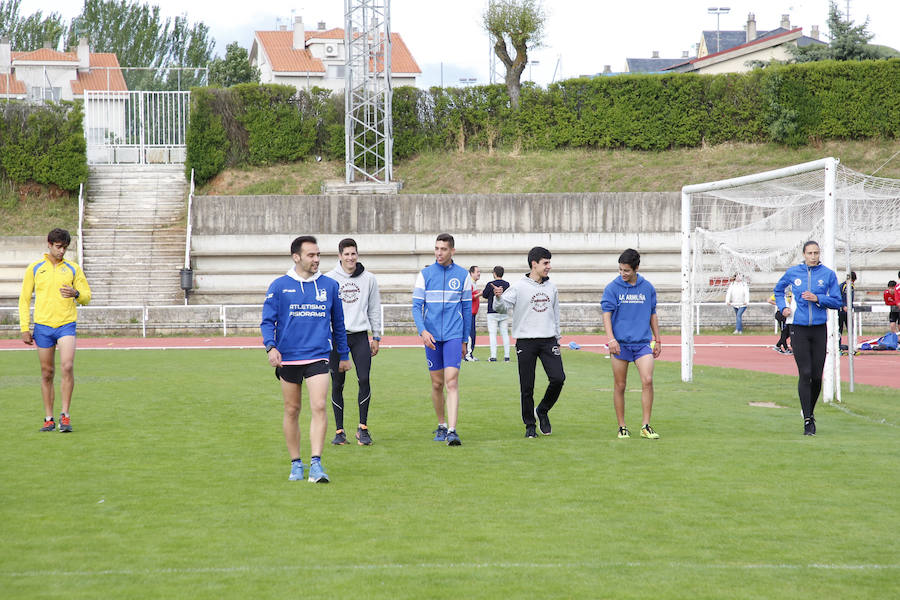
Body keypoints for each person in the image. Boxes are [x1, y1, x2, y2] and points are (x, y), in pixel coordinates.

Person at [261, 235, 351, 482]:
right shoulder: (279, 286)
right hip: (288, 359)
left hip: (318, 356)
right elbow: (267, 321)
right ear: (296, 257)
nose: (316, 259)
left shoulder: (330, 286)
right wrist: (270, 347)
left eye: (318, 255)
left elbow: (339, 324)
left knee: (319, 406)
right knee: (292, 409)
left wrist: (343, 355)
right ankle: (296, 464)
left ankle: (316, 464)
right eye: (311, 255)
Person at [19, 228, 92, 433]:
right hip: (43, 326)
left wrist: (76, 293)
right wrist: (25, 327)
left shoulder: (73, 269)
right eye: (58, 247)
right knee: (47, 372)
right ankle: (49, 417)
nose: (61, 252)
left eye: (65, 248)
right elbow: (24, 299)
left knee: (67, 366)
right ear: (49, 244)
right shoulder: (35, 268)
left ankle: (65, 416)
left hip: (66, 324)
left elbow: (87, 296)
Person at [492, 247, 565, 438]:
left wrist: (557, 338)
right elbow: (501, 307)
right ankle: (530, 425)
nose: (549, 266)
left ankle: (542, 409)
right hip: (526, 342)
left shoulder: (552, 287)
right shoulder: (518, 287)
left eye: (549, 262)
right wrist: (498, 296)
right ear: (534, 264)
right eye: (545, 263)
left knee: (558, 378)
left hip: (548, 340)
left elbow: (555, 314)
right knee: (527, 386)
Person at [774, 241, 842, 436]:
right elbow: (778, 290)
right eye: (810, 253)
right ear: (804, 254)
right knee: (805, 372)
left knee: (816, 376)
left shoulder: (828, 274)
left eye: (816, 253)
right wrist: (783, 307)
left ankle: (808, 410)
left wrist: (818, 298)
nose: (813, 256)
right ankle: (808, 421)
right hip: (798, 329)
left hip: (819, 329)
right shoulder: (793, 273)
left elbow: (837, 302)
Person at [412, 233, 472, 446]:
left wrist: (465, 341)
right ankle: (441, 424)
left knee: (451, 382)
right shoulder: (425, 274)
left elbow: (466, 310)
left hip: (454, 336)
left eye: (443, 249)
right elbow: (416, 307)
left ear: (452, 251)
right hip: (432, 338)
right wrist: (423, 331)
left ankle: (453, 431)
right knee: (437, 384)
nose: (439, 253)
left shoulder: (463, 275)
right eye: (437, 248)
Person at [325, 238, 382, 446]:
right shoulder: (329, 279)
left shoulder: (369, 279)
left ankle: (363, 428)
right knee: (337, 383)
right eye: (346, 254)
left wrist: (376, 336)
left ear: (357, 255)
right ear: (339, 256)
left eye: (353, 254)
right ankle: (339, 432)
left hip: (360, 336)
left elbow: (374, 308)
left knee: (364, 379)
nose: (350, 258)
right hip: (337, 337)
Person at [601, 248, 662, 440]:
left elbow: (652, 314)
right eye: (620, 269)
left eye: (626, 270)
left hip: (642, 343)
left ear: (636, 268)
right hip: (620, 345)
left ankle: (645, 425)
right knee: (620, 385)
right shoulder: (612, 288)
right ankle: (622, 427)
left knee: (648, 380)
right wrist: (611, 339)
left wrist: (657, 339)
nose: (622, 274)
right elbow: (606, 315)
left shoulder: (647, 287)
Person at [482, 265, 511, 362]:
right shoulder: (507, 284)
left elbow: (485, 295)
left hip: (492, 312)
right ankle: (507, 357)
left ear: (494, 274)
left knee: (493, 334)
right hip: (503, 311)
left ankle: (493, 356)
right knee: (505, 334)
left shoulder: (490, 284)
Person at [769, 288, 794, 354]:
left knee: (788, 332)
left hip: (788, 315)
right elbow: (769, 300)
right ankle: (786, 349)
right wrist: (778, 304)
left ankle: (778, 345)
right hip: (781, 314)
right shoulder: (779, 294)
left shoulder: (791, 294)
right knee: (784, 332)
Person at [464, 265, 481, 361]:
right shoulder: (469, 283)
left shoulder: (473, 283)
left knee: (473, 334)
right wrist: (480, 294)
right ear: (471, 273)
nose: (479, 274)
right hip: (469, 313)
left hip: (472, 313)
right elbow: (469, 297)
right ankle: (467, 355)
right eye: (477, 272)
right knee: (470, 334)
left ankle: (470, 354)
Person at [838, 271, 857, 345]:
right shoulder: (843, 286)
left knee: (851, 328)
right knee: (839, 329)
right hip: (841, 311)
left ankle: (852, 346)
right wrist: (843, 306)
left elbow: (850, 299)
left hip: (848, 311)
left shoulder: (851, 286)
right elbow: (838, 297)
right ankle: (838, 347)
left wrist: (851, 307)